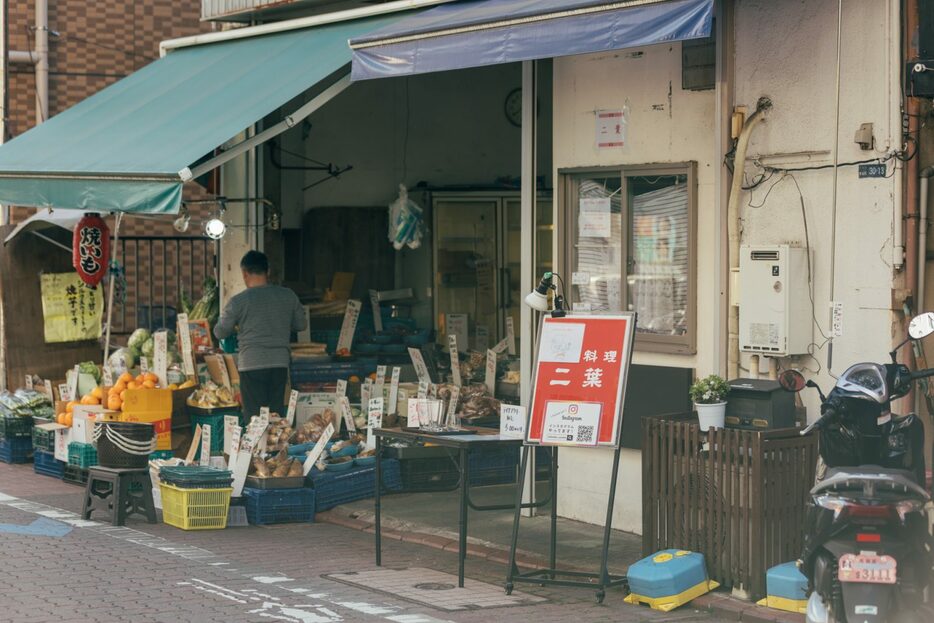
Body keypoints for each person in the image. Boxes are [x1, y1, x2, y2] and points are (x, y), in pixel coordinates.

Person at [214, 250, 306, 418]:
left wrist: (236, 324)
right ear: (268, 271)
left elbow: (220, 332)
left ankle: (256, 444)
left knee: (254, 417)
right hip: (279, 363)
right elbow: (301, 325)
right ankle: (276, 443)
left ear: (244, 273)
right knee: (275, 415)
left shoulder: (238, 301)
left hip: (251, 363)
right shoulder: (288, 295)